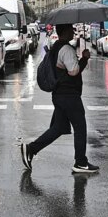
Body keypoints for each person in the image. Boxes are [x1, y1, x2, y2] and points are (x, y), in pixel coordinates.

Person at [20, 23, 99, 174]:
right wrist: (84, 59)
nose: (73, 31)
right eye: (71, 29)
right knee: (80, 126)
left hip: (59, 94)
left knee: (59, 128)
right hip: (69, 95)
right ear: (65, 31)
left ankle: (31, 149)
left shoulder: (56, 47)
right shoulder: (66, 49)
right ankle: (81, 162)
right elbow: (74, 71)